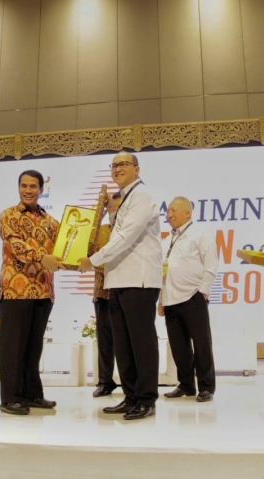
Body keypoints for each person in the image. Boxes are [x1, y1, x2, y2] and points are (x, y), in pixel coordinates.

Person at [78, 151, 162, 421]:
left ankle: (146, 399)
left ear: (137, 169)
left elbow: (125, 237)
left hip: (139, 280)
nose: (117, 169)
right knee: (123, 345)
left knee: (141, 343)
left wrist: (92, 260)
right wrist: (110, 213)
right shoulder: (123, 199)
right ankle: (131, 397)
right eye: (113, 165)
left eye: (124, 164)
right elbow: (118, 232)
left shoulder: (142, 197)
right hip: (117, 280)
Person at [0, 170, 62, 415]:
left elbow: (64, 248)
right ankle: (10, 398)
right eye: (23, 186)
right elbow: (15, 244)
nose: (28, 190)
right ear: (18, 188)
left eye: (33, 186)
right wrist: (42, 257)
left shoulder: (51, 222)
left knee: (34, 348)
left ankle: (32, 394)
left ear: (41, 189)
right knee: (12, 347)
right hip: (16, 290)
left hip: (43, 291)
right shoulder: (9, 215)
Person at [158, 197, 218, 402]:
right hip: (170, 299)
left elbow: (211, 264)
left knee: (202, 344)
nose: (169, 214)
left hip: (193, 297)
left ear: (188, 213)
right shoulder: (167, 239)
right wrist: (161, 299)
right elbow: (162, 271)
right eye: (168, 211)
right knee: (179, 346)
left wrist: (203, 291)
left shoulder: (200, 233)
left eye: (174, 210)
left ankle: (206, 387)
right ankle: (186, 384)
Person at [92, 192, 121, 398]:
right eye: (112, 207)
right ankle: (104, 381)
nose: (115, 211)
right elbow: (88, 253)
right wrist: (99, 214)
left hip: (124, 292)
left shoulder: (129, 232)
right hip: (102, 292)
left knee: (126, 340)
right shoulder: (101, 231)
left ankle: (132, 381)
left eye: (119, 208)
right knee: (104, 340)